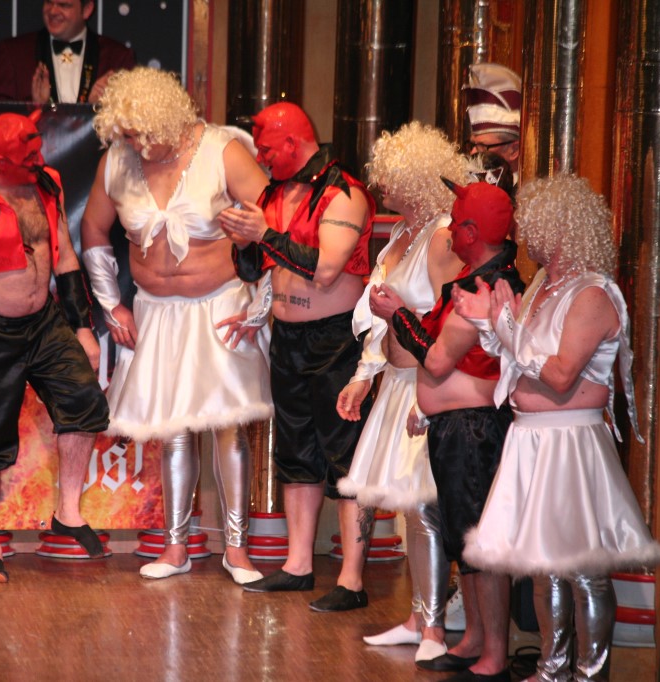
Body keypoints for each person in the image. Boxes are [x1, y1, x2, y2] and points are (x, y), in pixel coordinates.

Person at [452, 174, 660, 682]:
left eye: (531, 223)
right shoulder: (542, 288)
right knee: (544, 565)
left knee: (583, 570)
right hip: (531, 437)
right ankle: (551, 670)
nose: (522, 234)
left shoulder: (591, 294)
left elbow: (561, 374)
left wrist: (504, 326)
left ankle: (590, 674)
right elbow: (515, 361)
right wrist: (489, 321)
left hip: (569, 440)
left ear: (560, 226)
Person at [80, 67, 271, 583]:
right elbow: (93, 229)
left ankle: (237, 549)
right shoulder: (116, 162)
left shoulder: (222, 150)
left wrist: (261, 303)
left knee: (229, 427)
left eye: (142, 133)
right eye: (126, 134)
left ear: (167, 119)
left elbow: (276, 222)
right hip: (157, 312)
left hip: (221, 306)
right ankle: (175, 546)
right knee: (173, 431)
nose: (134, 144)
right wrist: (111, 304)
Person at [0, 110, 109, 583]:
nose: (37, 158)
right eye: (26, 155)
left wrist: (83, 328)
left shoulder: (46, 183)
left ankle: (68, 511)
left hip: (44, 321)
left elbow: (65, 257)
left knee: (84, 401)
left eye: (38, 149)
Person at [218, 102, 375, 611]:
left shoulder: (343, 192)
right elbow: (253, 269)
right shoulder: (273, 193)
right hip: (287, 336)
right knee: (295, 453)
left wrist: (262, 234)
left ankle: (351, 579)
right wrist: (243, 242)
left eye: (266, 148)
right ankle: (298, 565)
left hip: (336, 339)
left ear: (292, 142)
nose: (261, 158)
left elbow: (326, 270)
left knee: (345, 455)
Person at [334, 122, 465, 656]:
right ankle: (419, 617)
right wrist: (363, 376)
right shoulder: (403, 234)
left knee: (426, 506)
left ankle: (434, 628)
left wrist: (434, 394)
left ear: (416, 179)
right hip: (396, 383)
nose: (380, 185)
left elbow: (453, 320)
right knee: (412, 509)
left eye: (390, 176)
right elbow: (380, 319)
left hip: (425, 383)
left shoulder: (441, 237)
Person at [387, 179, 523, 680]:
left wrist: (396, 313)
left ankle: (494, 654)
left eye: (454, 221)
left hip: (475, 429)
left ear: (470, 231)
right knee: (463, 540)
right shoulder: (472, 278)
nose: (446, 231)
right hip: (458, 426)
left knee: (480, 543)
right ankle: (476, 640)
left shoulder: (486, 287)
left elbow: (438, 360)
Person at [0, 0, 135, 105]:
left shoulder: (118, 57)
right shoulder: (14, 52)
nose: (53, 11)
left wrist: (97, 109)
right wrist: (36, 108)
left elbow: (133, 126)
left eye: (64, 5)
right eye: (49, 2)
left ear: (87, 9)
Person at [465, 63, 521, 183]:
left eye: (482, 146)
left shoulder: (530, 193)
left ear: (514, 150)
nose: (472, 152)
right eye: (472, 145)